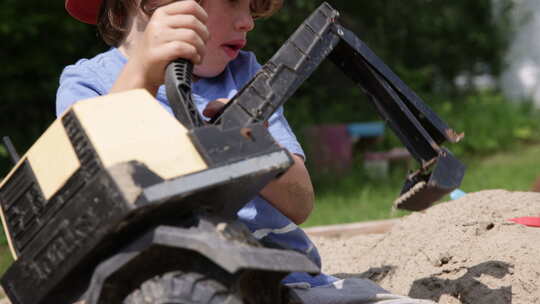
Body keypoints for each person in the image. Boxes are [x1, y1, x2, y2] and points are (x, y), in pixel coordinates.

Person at [56, 0, 436, 303]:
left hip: (284, 282)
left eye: (253, 6)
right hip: (160, 286)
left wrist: (250, 143)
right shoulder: (90, 84)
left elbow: (300, 204)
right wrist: (142, 71)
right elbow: (91, 194)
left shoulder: (246, 76)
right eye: (235, 1)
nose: (247, 21)